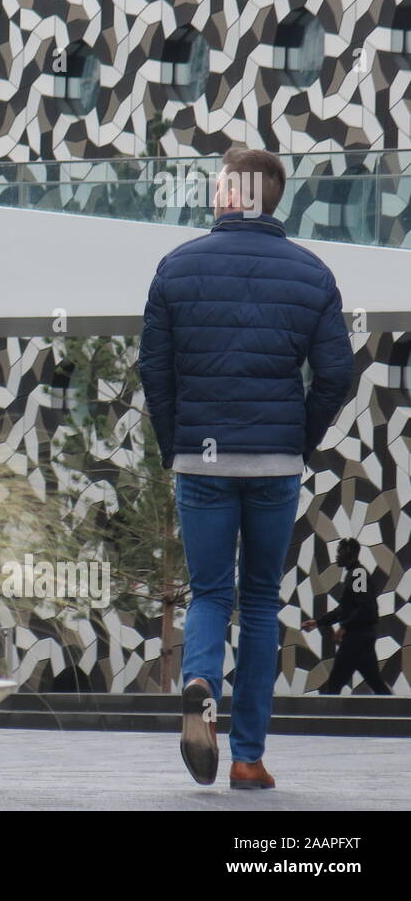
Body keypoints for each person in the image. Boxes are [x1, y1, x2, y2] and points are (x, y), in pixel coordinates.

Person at [138, 147, 354, 791]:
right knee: (260, 600)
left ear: (232, 192)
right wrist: (298, 439)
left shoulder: (175, 268)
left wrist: (176, 443)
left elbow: (155, 369)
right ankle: (248, 757)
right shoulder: (312, 273)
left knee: (210, 592)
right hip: (274, 461)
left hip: (201, 455)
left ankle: (200, 679)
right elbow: (336, 374)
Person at [303, 538, 391, 695]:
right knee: (376, 684)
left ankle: (327, 719)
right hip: (363, 637)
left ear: (349, 553)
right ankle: (398, 715)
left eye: (340, 552)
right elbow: (345, 609)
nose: (336, 556)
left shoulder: (358, 574)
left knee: (335, 684)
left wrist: (344, 627)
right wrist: (318, 622)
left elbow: (363, 605)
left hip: (356, 638)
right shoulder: (354, 574)